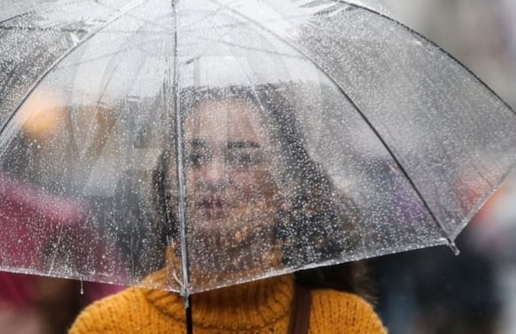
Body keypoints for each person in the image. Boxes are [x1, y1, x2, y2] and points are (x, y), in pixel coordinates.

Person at [69, 85, 386, 333]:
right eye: (193, 158)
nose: (214, 177)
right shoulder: (107, 327)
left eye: (244, 158)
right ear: (168, 184)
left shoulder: (346, 324)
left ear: (287, 186)